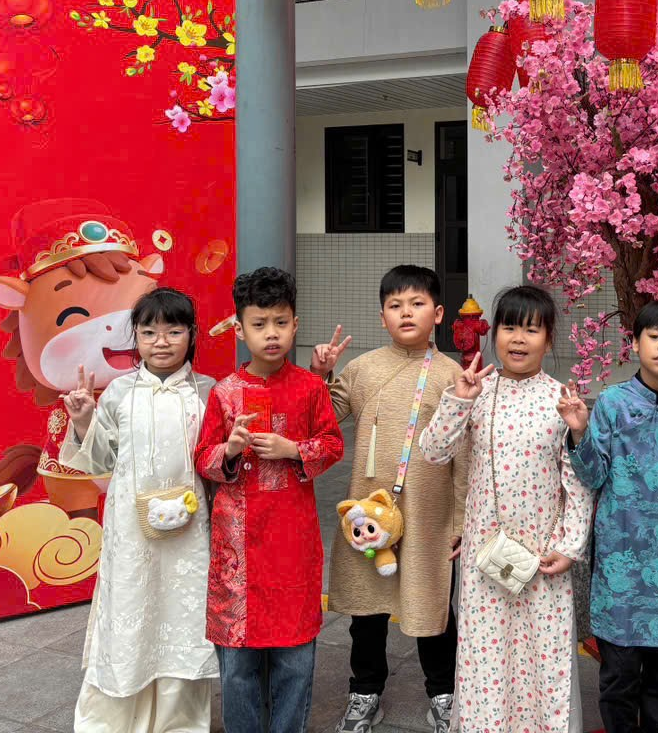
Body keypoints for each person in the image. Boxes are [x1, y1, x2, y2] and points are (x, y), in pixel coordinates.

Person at [419, 284, 596, 733]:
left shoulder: (563, 400)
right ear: (494, 334)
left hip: (543, 557)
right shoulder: (476, 390)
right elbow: (434, 452)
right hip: (487, 555)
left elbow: (577, 486)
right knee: (486, 656)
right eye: (510, 327)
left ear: (549, 339)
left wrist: (569, 547)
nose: (519, 339)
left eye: (532, 330)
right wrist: (459, 399)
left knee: (544, 657)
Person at [313, 265, 467, 733]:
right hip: (367, 514)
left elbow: (465, 454)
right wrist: (323, 375)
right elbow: (324, 419)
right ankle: (364, 693)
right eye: (395, 305)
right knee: (367, 610)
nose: (406, 313)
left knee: (434, 605)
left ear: (437, 313)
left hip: (428, 512)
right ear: (382, 316)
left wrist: (460, 519)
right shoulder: (363, 369)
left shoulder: (450, 374)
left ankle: (444, 694)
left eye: (417, 304)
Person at [59, 287, 218, 733]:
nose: (161, 341)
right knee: (130, 612)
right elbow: (101, 462)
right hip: (131, 531)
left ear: (192, 334)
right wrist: (84, 419)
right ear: (136, 338)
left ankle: (179, 723)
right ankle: (112, 722)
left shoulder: (209, 393)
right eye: (149, 332)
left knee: (183, 620)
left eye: (173, 330)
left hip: (192, 531)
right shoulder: (118, 394)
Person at [194, 267, 344, 733]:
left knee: (295, 661)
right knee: (237, 669)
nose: (271, 334)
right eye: (259, 324)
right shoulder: (224, 393)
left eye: (280, 322)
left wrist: (294, 450)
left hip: (293, 545)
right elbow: (203, 458)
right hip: (237, 550)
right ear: (239, 329)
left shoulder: (311, 388)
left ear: (295, 324)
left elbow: (333, 444)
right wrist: (232, 450)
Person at [560, 299, 658, 733]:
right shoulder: (611, 404)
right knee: (618, 675)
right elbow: (592, 475)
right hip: (619, 560)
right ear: (635, 342)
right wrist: (578, 431)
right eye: (655, 337)